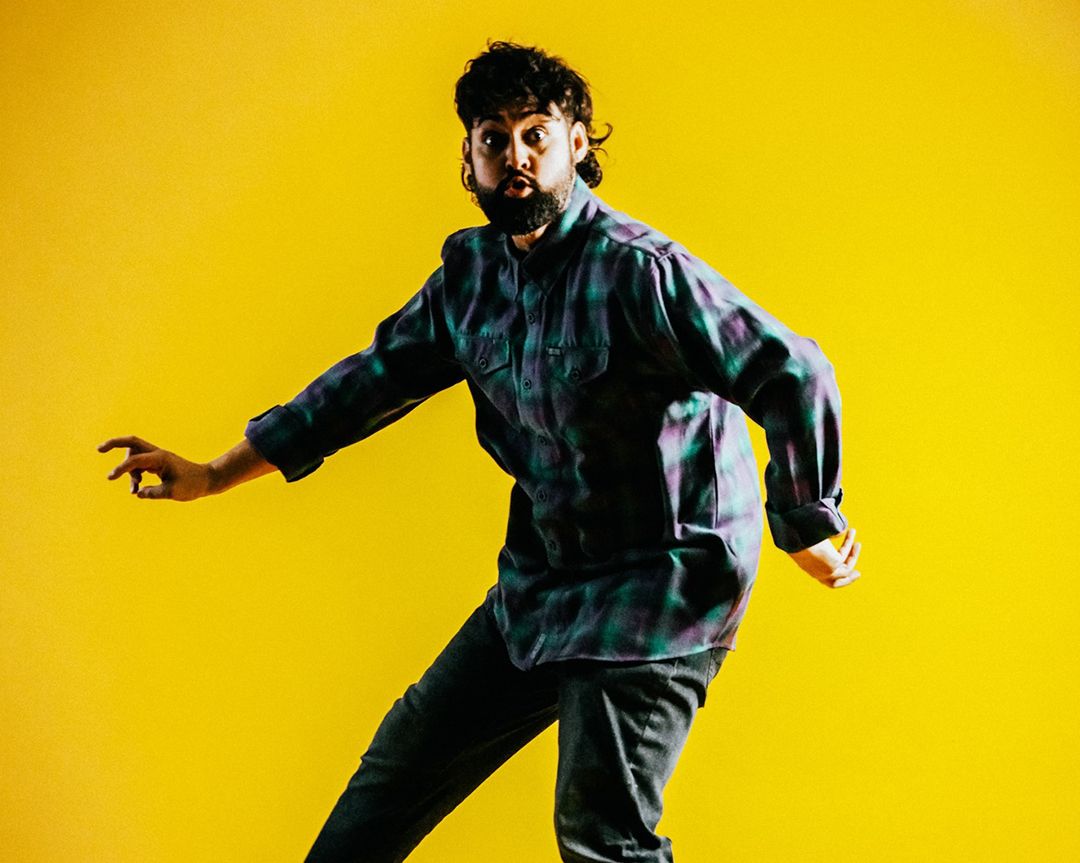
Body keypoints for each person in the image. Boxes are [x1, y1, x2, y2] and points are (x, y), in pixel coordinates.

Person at [100, 41, 860, 863]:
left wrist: (804, 522)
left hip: (663, 585)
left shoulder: (640, 271)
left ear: (577, 144)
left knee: (600, 833)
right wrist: (214, 473)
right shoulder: (469, 278)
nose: (517, 157)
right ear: (469, 161)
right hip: (544, 580)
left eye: (537, 134)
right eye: (495, 139)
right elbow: (368, 383)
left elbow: (792, 371)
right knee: (389, 784)